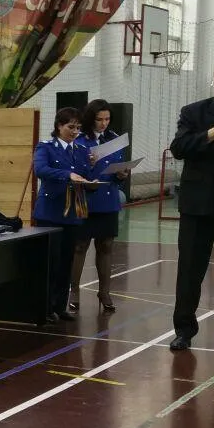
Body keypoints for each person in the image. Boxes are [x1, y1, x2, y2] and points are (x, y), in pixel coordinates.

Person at [168, 58, 214, 351]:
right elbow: (178, 148)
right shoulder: (194, 112)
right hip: (200, 204)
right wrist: (212, 133)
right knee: (190, 269)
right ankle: (184, 330)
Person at [33, 107, 92, 324]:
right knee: (51, 262)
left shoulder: (81, 150)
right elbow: (40, 170)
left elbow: (85, 175)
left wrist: (91, 171)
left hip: (72, 212)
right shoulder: (46, 147)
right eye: (71, 127)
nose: (75, 132)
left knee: (67, 262)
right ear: (59, 126)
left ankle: (60, 305)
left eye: (78, 128)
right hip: (50, 212)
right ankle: (46, 307)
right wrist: (68, 174)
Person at [69, 99, 128, 313]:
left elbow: (118, 168)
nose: (104, 123)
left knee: (106, 246)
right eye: (99, 119)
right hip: (84, 197)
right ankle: (74, 291)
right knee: (80, 246)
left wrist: (121, 174)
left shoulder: (114, 139)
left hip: (108, 198)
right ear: (90, 119)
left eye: (107, 119)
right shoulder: (79, 140)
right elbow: (71, 170)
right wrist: (88, 169)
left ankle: (104, 292)